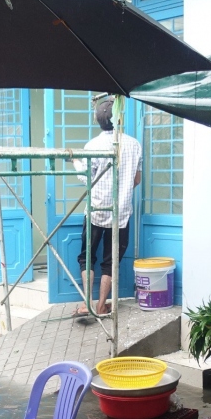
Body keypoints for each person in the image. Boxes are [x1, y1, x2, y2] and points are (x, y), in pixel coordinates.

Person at [76, 97, 141, 316]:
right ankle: (102, 304)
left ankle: (87, 304)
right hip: (120, 212)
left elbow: (86, 179)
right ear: (119, 118)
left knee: (87, 257)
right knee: (110, 261)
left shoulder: (92, 146)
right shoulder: (134, 144)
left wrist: (76, 162)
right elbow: (136, 180)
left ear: (98, 120)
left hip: (95, 210)